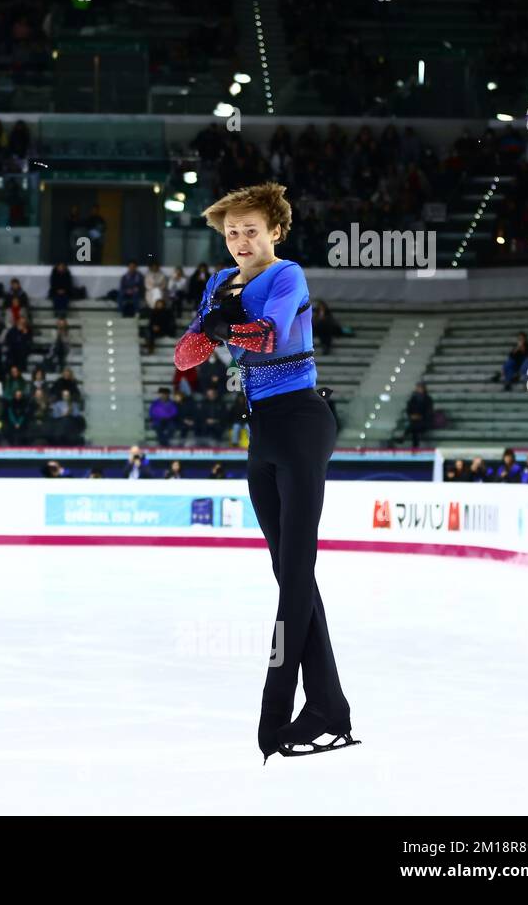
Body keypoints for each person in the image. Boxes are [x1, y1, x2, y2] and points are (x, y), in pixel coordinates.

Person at [175, 181, 359, 763]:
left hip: (303, 422)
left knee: (296, 575)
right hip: (262, 432)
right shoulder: (215, 284)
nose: (240, 241)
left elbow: (269, 338)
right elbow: (185, 356)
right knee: (289, 574)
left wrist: (222, 328)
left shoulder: (288, 275)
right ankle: (329, 706)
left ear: (275, 230)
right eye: (231, 232)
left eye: (251, 229)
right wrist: (211, 326)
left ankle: (277, 715)